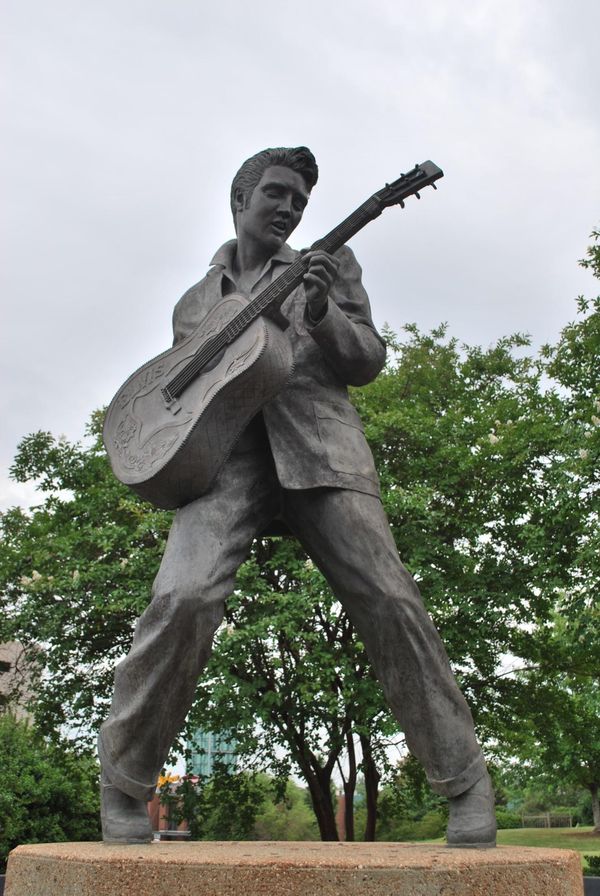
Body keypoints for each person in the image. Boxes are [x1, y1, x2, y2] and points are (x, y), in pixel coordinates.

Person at [98, 146, 497, 848]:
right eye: (277, 194)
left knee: (391, 598)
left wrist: (323, 312)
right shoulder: (195, 301)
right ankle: (124, 785)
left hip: (321, 449)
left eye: (300, 202)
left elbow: (367, 359)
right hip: (224, 465)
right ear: (240, 199)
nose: (289, 208)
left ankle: (465, 783)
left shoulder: (331, 264)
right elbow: (183, 397)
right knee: (180, 599)